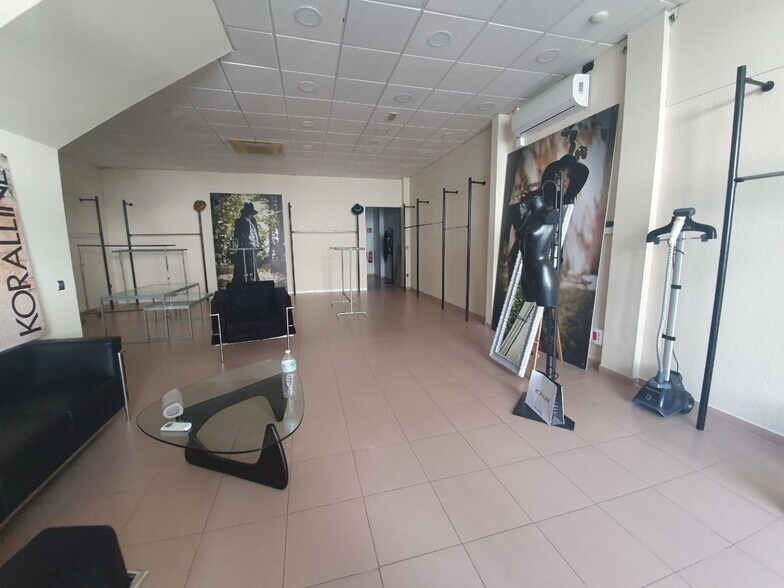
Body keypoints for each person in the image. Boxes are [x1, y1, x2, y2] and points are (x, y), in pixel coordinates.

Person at [232, 202, 261, 283]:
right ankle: (240, 283)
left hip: (253, 247)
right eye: (248, 213)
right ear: (245, 213)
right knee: (242, 266)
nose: (250, 215)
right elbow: (237, 234)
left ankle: (254, 281)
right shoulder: (239, 221)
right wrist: (246, 240)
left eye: (251, 213)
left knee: (252, 265)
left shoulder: (253, 221)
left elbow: (256, 233)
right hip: (244, 247)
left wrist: (258, 243)